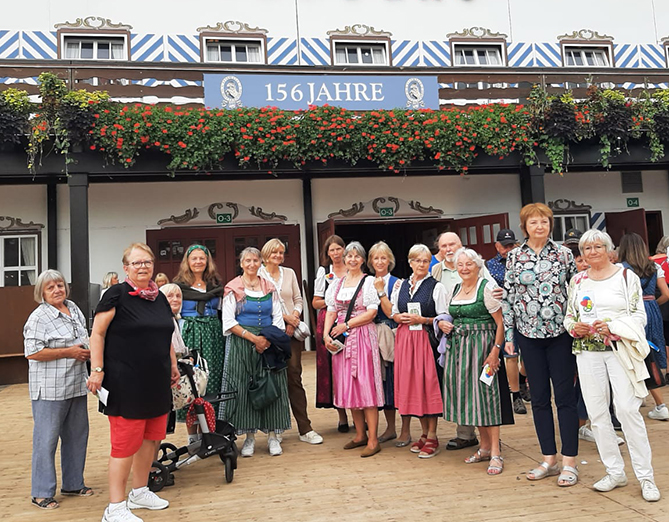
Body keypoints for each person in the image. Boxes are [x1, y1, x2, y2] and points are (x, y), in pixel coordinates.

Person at [564, 230, 661, 502]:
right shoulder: (578, 280)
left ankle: (646, 476)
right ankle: (614, 470)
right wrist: (575, 327)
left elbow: (639, 316)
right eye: (587, 248)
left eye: (598, 246)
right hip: (587, 351)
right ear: (581, 254)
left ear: (609, 250)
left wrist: (613, 326)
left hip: (620, 351)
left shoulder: (626, 277)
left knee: (628, 410)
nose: (592, 251)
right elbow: (569, 317)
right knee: (596, 413)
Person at [87, 243, 179, 522]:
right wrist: (97, 369)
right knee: (125, 444)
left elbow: (167, 334)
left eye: (147, 262)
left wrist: (173, 365)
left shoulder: (159, 297)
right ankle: (114, 507)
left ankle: (139, 491)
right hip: (125, 381)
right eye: (136, 262)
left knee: (151, 439)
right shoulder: (116, 295)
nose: (143, 266)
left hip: (157, 380)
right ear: (126, 267)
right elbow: (98, 334)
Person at [502, 203, 579, 487]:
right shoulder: (515, 257)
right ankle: (549, 457)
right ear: (524, 226)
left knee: (565, 398)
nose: (539, 226)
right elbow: (508, 300)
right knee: (539, 400)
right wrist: (510, 339)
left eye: (544, 222)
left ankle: (570, 460)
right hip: (528, 336)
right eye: (533, 222)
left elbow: (576, 293)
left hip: (560, 335)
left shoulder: (564, 254)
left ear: (551, 225)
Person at [23, 270, 94, 510]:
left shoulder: (73, 308)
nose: (57, 290)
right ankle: (41, 492)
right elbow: (32, 353)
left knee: (76, 437)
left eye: (60, 285)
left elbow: (84, 337)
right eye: (50, 287)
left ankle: (74, 483)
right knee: (46, 441)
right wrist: (69, 352)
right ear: (41, 292)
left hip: (76, 384)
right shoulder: (38, 317)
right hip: (50, 389)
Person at [440, 248, 514, 475]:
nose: (464, 268)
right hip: (460, 350)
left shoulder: (487, 288)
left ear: (477, 266)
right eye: (460, 264)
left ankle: (495, 453)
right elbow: (452, 314)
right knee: (472, 399)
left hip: (482, 347)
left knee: (487, 399)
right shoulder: (455, 288)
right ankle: (483, 447)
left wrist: (495, 351)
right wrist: (444, 323)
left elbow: (500, 323)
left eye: (468, 264)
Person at [218, 247, 291, 457]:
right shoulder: (233, 287)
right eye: (247, 260)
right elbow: (229, 321)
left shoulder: (269, 287)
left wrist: (267, 339)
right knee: (245, 387)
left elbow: (278, 317)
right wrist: (253, 339)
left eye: (255, 260)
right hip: (242, 342)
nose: (251, 264)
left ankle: (272, 436)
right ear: (241, 264)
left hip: (269, 342)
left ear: (260, 263)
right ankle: (249, 438)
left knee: (272, 386)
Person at [431, 231, 500, 450]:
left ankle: (491, 444)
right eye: (444, 246)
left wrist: (497, 348)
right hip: (457, 343)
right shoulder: (437, 271)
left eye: (452, 244)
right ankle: (467, 435)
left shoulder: (482, 276)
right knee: (462, 389)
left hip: (481, 342)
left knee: (483, 392)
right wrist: (441, 321)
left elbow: (495, 304)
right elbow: (440, 304)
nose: (448, 249)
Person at [259, 238, 323, 445]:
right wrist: (284, 318)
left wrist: (294, 317)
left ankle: (305, 428)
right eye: (274, 252)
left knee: (294, 377)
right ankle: (276, 427)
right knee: (273, 379)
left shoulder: (290, 273)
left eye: (281, 252)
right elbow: (259, 303)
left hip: (291, 334)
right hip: (268, 333)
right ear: (266, 254)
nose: (278, 256)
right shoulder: (258, 274)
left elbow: (298, 299)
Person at [324, 242, 384, 457]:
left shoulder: (368, 282)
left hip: (362, 337)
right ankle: (360, 435)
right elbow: (331, 310)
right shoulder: (337, 284)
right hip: (342, 339)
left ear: (362, 260)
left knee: (365, 385)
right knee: (349, 385)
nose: (352, 259)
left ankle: (374, 439)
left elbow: (371, 313)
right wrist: (325, 334)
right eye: (349, 256)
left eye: (356, 256)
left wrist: (346, 325)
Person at [391, 244, 447, 458]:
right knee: (413, 385)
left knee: (427, 385)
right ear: (410, 262)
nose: (421, 264)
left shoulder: (437, 287)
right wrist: (398, 318)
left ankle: (432, 435)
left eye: (425, 261)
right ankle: (423, 433)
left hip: (426, 340)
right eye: (417, 260)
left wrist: (422, 319)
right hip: (406, 339)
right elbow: (394, 311)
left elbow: (443, 317)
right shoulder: (402, 286)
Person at [173, 244, 225, 437]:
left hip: (213, 334)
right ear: (187, 261)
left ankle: (210, 430)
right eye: (194, 258)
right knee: (191, 380)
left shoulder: (214, 284)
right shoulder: (179, 286)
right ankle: (192, 435)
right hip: (190, 332)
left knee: (212, 379)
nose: (198, 262)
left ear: (207, 261)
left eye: (202, 258)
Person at [618, 233, 669, 421]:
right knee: (651, 354)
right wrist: (653, 303)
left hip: (631, 313)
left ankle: (642, 399)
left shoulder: (620, 269)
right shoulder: (654, 266)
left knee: (632, 355)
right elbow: (666, 294)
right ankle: (657, 402)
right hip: (652, 310)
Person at [369, 241, 413, 446]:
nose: (379, 261)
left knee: (399, 381)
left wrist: (381, 291)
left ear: (390, 260)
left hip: (393, 334)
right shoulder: (366, 281)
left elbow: (391, 313)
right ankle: (389, 428)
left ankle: (405, 430)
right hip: (372, 334)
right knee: (383, 383)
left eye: (383, 258)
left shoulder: (398, 283)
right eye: (376, 258)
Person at [486, 228, 528, 415]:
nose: (509, 249)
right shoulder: (489, 266)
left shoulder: (524, 261)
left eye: (512, 245)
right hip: (503, 315)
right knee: (510, 354)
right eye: (505, 245)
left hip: (525, 312)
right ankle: (515, 395)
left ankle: (520, 377)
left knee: (526, 357)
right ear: (497, 246)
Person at [312, 234, 350, 431]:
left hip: (351, 319)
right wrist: (334, 301)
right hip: (328, 321)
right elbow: (315, 302)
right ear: (327, 253)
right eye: (331, 250)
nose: (336, 253)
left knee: (353, 367)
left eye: (338, 248)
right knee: (332, 367)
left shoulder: (353, 268)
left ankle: (361, 413)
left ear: (344, 249)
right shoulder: (324, 272)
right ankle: (342, 416)